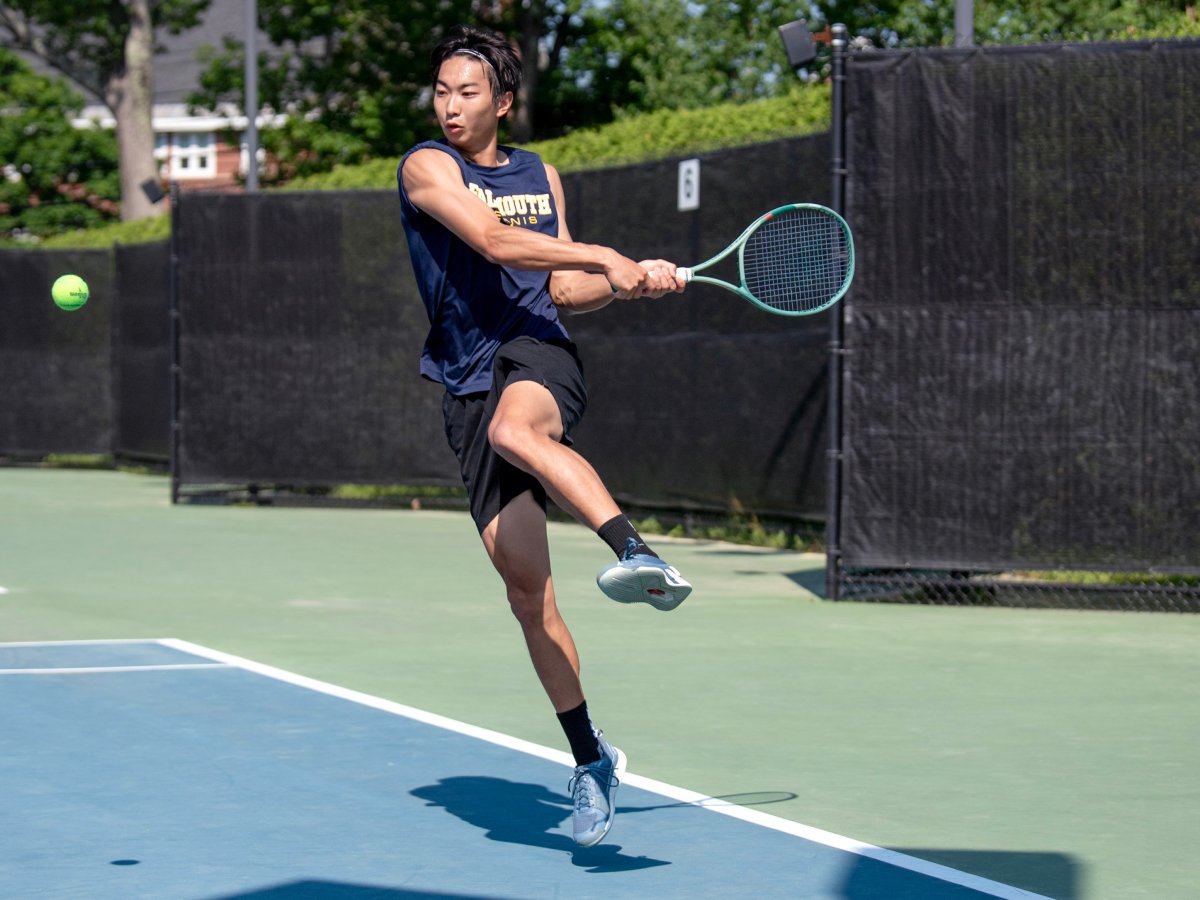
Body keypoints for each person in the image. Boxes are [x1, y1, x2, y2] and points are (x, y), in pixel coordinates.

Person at [396, 24, 692, 848]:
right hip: (465, 380)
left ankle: (636, 551)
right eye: (442, 91)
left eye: (468, 92)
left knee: (516, 427)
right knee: (529, 597)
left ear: (502, 102)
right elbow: (494, 242)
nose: (451, 106)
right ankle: (592, 759)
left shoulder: (539, 174)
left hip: (536, 354)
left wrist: (621, 284)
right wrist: (605, 258)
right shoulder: (426, 167)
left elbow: (559, 290)